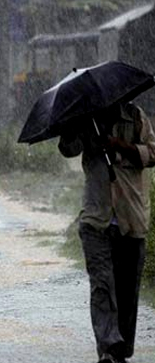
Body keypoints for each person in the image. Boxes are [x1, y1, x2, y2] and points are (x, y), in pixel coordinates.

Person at [58, 102, 155, 363]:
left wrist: (119, 145)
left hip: (131, 217)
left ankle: (121, 348)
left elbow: (153, 154)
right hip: (96, 219)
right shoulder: (85, 118)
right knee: (102, 286)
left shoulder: (135, 117)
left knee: (126, 290)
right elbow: (68, 149)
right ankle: (108, 348)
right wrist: (70, 127)